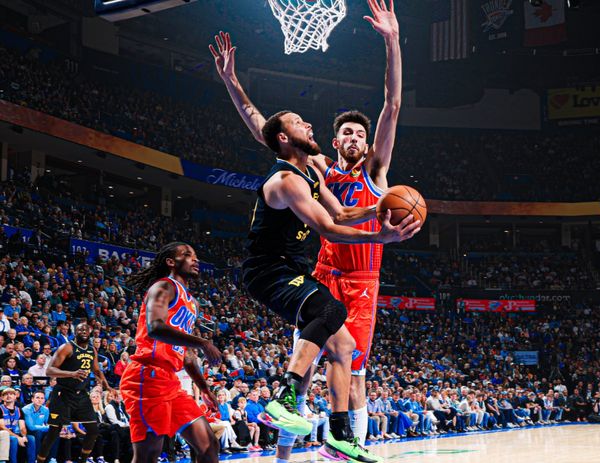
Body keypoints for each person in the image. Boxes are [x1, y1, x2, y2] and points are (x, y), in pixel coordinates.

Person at [210, 0, 406, 458]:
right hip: (317, 270)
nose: (355, 138)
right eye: (348, 134)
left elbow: (393, 104)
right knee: (309, 359)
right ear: (333, 143)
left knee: (351, 365)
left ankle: (343, 442)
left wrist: (393, 42)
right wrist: (233, 84)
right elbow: (263, 128)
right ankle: (285, 450)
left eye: (361, 134)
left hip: (361, 280)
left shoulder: (375, 174)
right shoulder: (312, 169)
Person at [119, 242, 222, 463]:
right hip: (146, 377)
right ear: (171, 262)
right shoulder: (164, 287)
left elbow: (185, 354)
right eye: (187, 255)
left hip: (170, 382)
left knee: (209, 445)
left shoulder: (192, 304)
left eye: (195, 255)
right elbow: (155, 327)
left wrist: (204, 388)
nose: (195, 259)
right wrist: (203, 342)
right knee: (148, 456)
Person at [36, 322, 113, 463]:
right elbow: (49, 370)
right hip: (63, 394)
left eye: (86, 329)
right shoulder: (67, 347)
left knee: (93, 431)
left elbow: (97, 370)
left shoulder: (91, 350)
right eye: (80, 329)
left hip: (81, 394)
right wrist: (72, 373)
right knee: (53, 433)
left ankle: (82, 461)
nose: (83, 331)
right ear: (75, 332)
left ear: (90, 333)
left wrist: (108, 387)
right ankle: (39, 461)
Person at [0, 387, 36, 463]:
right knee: (14, 439)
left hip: (14, 433)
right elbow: (2, 427)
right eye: (5, 394)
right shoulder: (0, 409)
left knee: (31, 438)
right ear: (2, 398)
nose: (8, 396)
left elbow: (22, 427)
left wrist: (24, 436)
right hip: (4, 435)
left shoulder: (19, 410)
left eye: (11, 394)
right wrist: (18, 437)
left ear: (15, 396)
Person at [22, 391, 50, 460]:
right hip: (26, 431)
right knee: (38, 433)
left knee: (54, 434)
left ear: (44, 400)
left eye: (42, 398)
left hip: (39, 429)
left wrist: (51, 429)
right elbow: (31, 427)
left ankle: (52, 458)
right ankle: (37, 458)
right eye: (37, 398)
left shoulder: (45, 409)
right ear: (32, 399)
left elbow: (48, 423)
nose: (40, 400)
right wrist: (47, 428)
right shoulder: (26, 409)